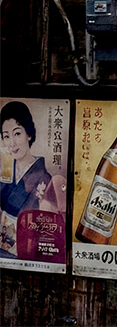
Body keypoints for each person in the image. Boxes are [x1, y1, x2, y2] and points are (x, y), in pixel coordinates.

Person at [1, 101, 57, 258]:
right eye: (6, 136)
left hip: (23, 254)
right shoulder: (5, 171)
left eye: (17, 133)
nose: (11, 143)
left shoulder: (45, 179)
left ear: (29, 134)